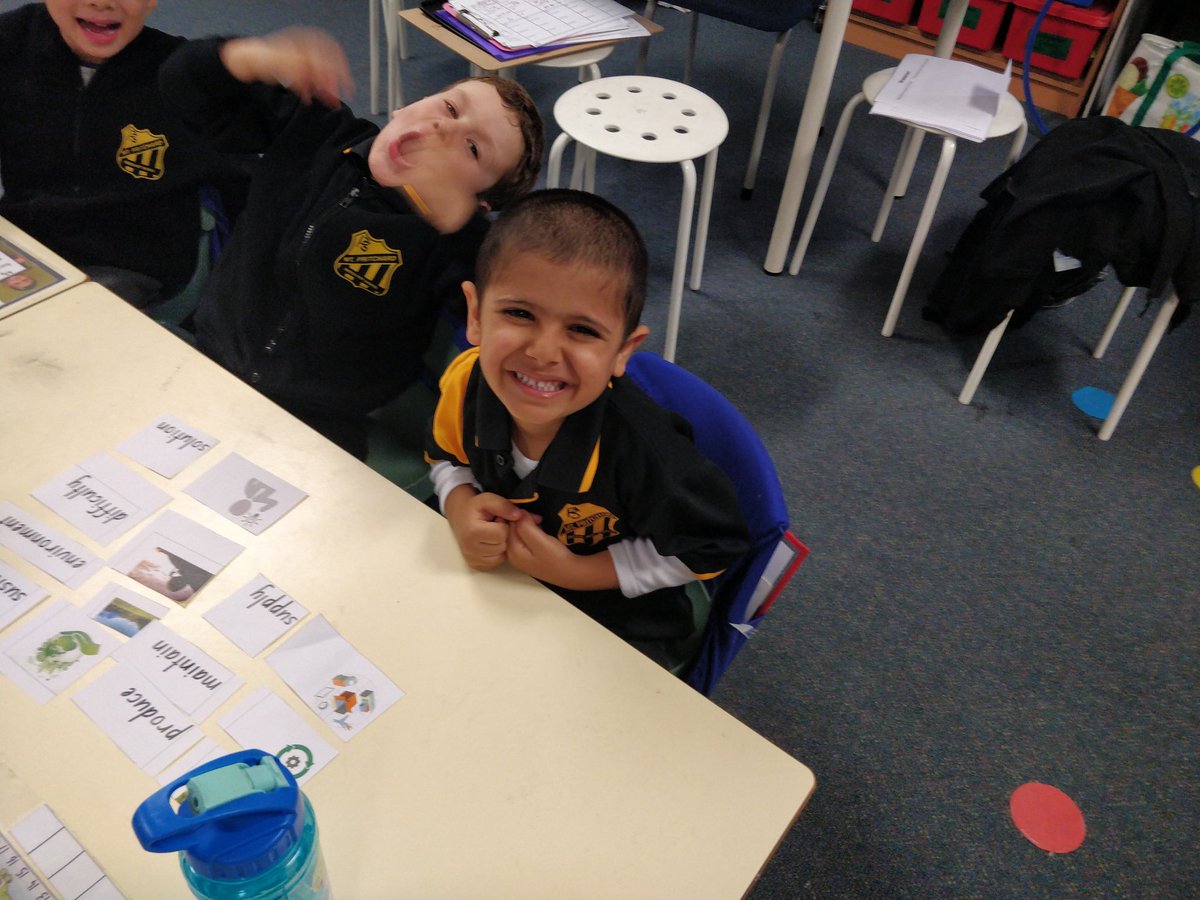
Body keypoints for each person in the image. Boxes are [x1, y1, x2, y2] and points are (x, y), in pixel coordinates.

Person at [158, 28, 545, 459]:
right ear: (406, 106)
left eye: (473, 148)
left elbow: (521, 305)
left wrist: (460, 225)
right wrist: (252, 58)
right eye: (450, 107)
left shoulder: (449, 245)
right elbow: (182, 85)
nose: (442, 129)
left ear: (480, 202)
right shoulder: (317, 130)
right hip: (207, 359)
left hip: (321, 425)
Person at [425, 189, 750, 672]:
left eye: (582, 330)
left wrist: (576, 572)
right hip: (500, 587)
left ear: (623, 349)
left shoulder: (648, 455)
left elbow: (712, 545)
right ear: (475, 315)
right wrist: (458, 506)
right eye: (519, 313)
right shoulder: (465, 384)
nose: (543, 352)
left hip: (615, 620)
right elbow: (447, 458)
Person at [0, 1, 252, 309]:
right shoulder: (11, 41)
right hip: (25, 244)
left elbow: (253, 178)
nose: (101, 2)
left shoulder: (184, 76)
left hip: (129, 264)